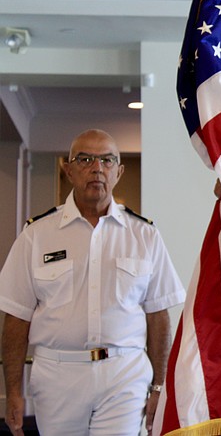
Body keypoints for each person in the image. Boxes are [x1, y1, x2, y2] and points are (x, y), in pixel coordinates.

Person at [0, 129, 185, 436]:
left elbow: (158, 315)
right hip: (57, 376)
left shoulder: (144, 235)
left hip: (124, 373)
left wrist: (159, 386)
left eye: (107, 160)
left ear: (118, 172)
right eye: (85, 159)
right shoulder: (36, 235)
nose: (97, 168)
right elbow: (16, 317)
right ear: (68, 169)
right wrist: (13, 391)